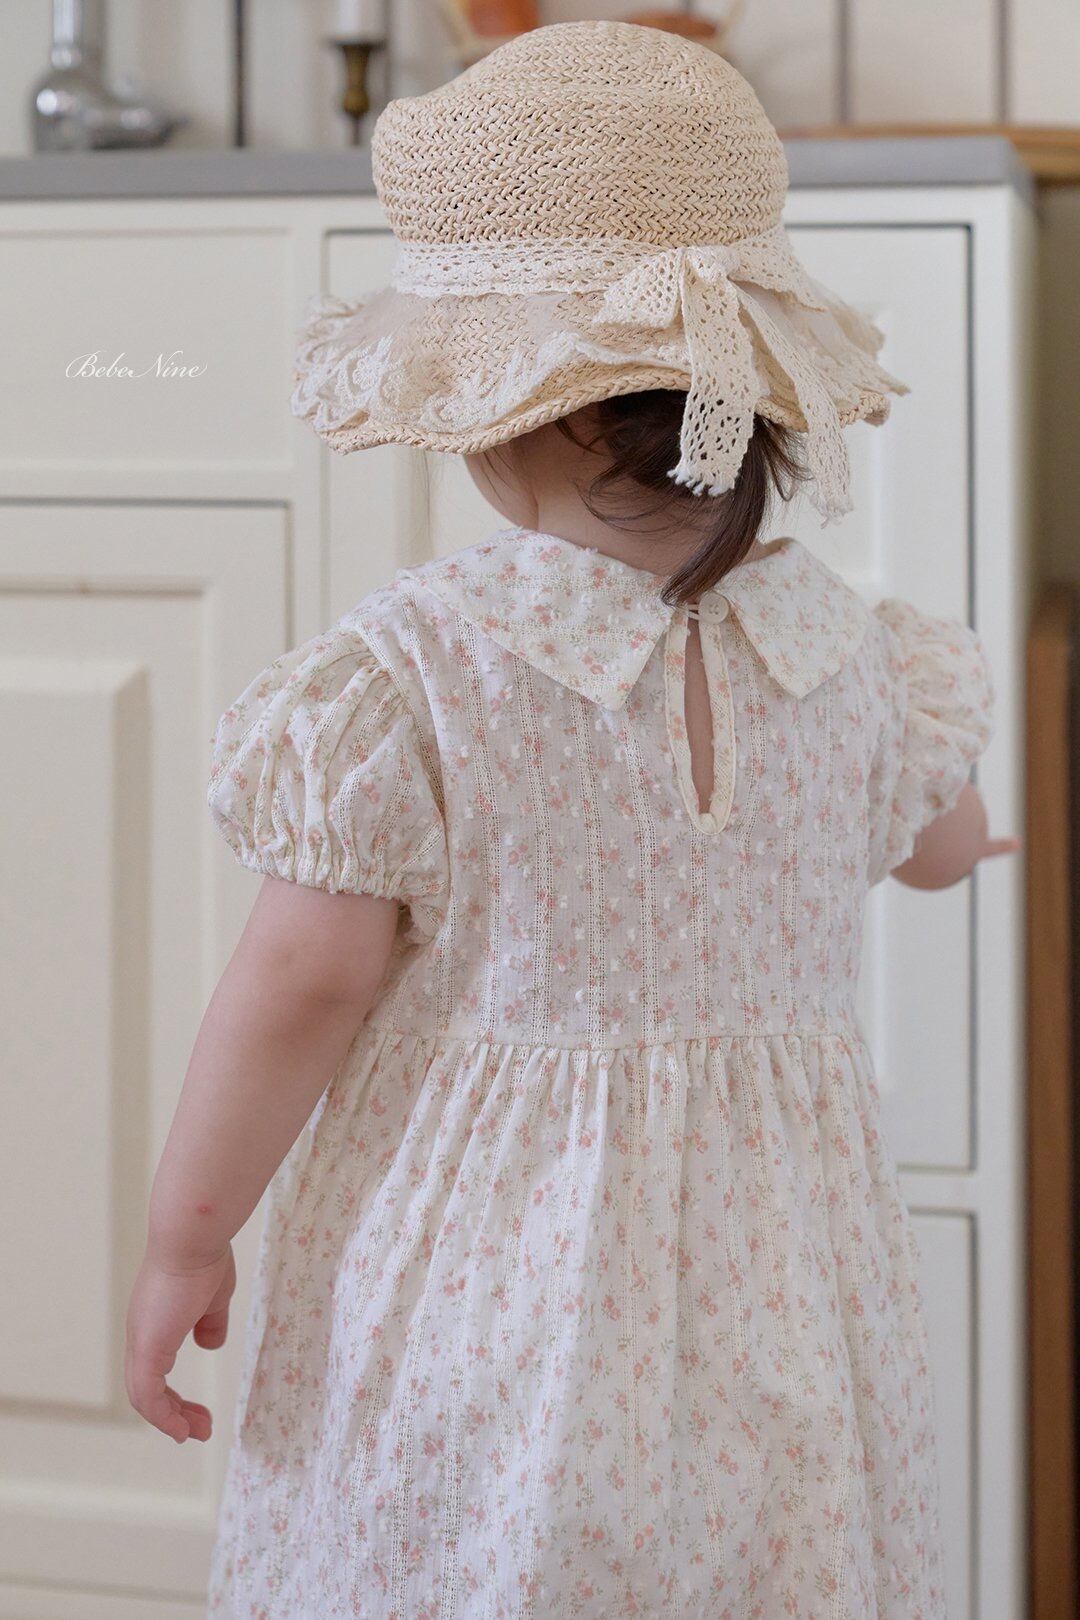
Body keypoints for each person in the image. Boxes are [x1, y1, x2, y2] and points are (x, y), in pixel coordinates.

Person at [125, 22, 1016, 1617]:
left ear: (512, 410)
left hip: (492, 1294)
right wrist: (970, 846)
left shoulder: (416, 679)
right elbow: (941, 834)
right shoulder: (860, 656)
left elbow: (301, 984)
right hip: (785, 1296)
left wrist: (188, 1234)